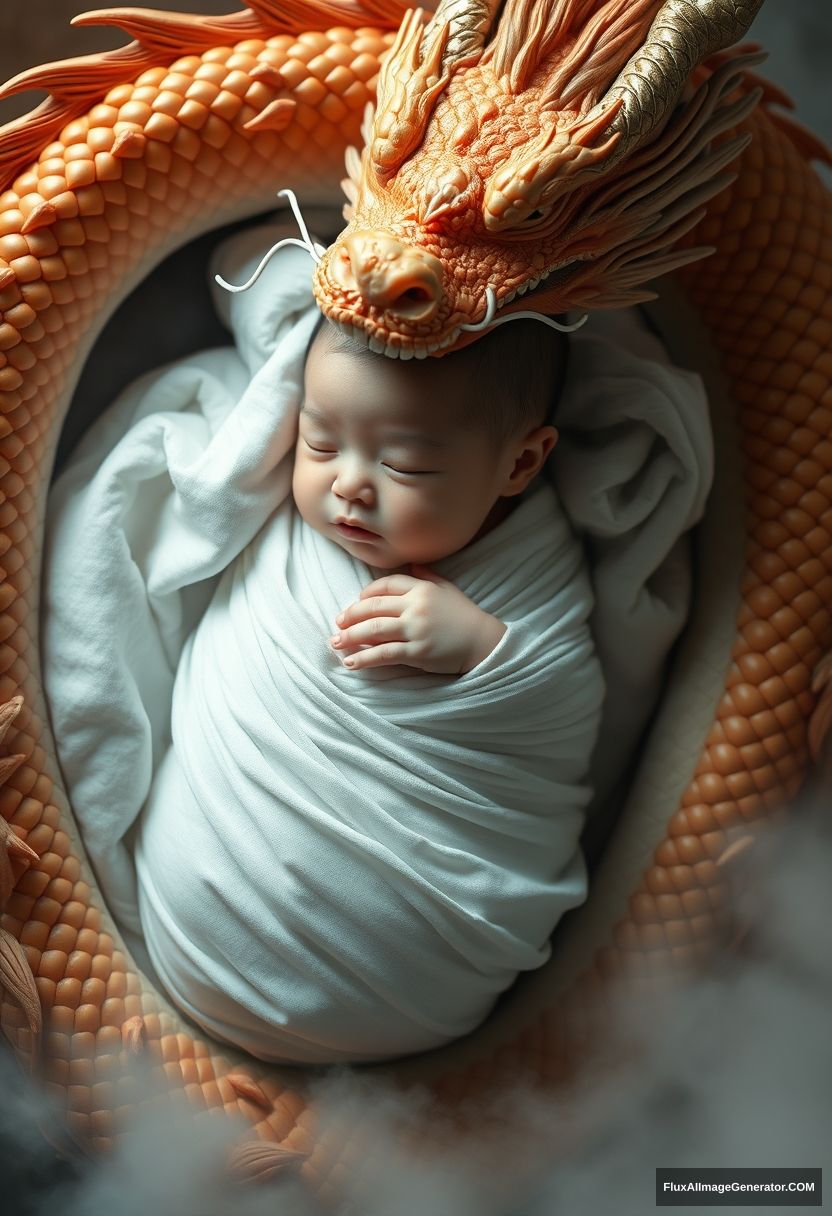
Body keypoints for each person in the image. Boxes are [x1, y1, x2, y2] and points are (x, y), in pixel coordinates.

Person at [130, 312, 604, 1065]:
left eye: (406, 466)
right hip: (198, 918)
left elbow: (568, 710)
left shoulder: (535, 566)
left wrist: (487, 650)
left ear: (520, 464)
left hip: (414, 976)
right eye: (320, 443)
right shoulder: (295, 528)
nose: (348, 484)